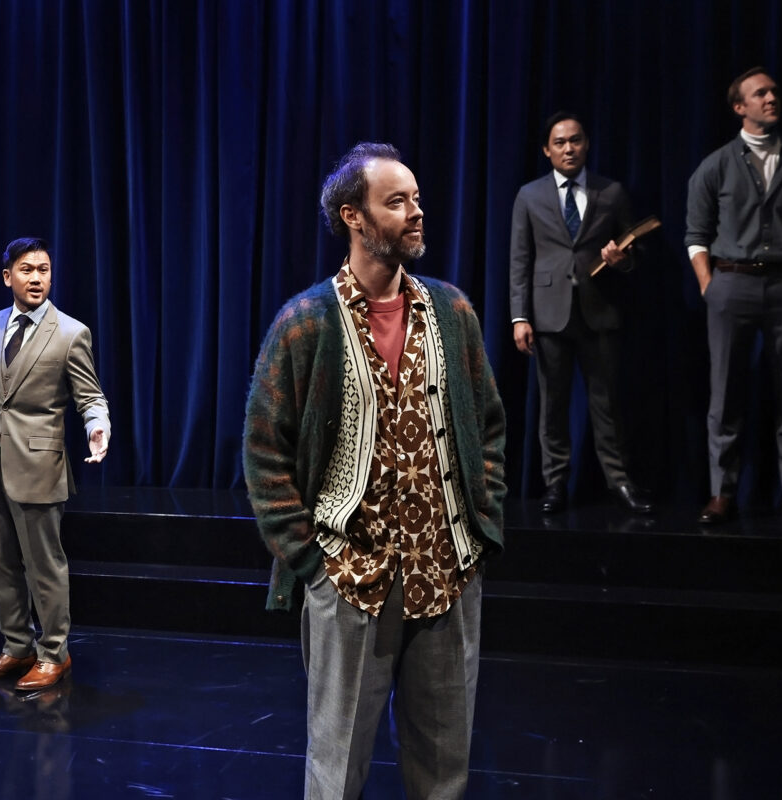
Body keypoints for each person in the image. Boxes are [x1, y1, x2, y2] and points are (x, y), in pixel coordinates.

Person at [243, 142, 506, 799]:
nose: (417, 212)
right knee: (336, 772)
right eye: (398, 201)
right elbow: (263, 450)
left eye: (416, 198)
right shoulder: (305, 325)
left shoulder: (452, 313)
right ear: (353, 217)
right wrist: (312, 560)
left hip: (446, 573)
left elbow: (490, 425)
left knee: (443, 771)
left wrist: (480, 525)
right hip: (351, 581)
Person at [0, 237, 110, 690]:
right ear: (8, 277)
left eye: (43, 269)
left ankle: (53, 653)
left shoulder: (69, 332)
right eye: (27, 269)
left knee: (44, 567)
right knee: (0, 565)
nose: (37, 277)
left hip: (39, 466)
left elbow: (91, 396)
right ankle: (15, 647)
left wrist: (97, 426)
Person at [685, 67, 782, 527]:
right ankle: (721, 493)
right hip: (732, 284)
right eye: (759, 93)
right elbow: (696, 234)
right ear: (739, 107)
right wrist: (710, 286)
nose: (770, 98)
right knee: (725, 395)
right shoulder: (715, 164)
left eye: (773, 92)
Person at [509, 111, 651, 515]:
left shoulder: (612, 192)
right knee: (552, 404)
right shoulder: (530, 195)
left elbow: (633, 255)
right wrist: (520, 316)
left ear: (586, 144)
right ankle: (555, 483)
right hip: (549, 314)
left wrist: (621, 259)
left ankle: (619, 482)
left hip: (599, 309)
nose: (568, 148)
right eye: (560, 142)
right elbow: (520, 259)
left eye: (575, 140)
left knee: (606, 403)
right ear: (547, 150)